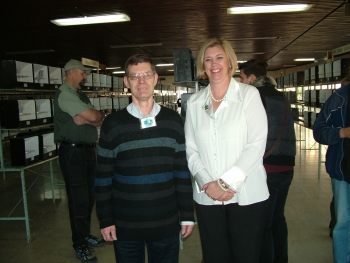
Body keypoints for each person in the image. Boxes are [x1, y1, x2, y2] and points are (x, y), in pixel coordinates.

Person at [95, 54, 195, 263]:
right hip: (125, 225)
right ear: (126, 81)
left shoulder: (173, 121)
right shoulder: (112, 124)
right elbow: (103, 177)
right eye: (135, 76)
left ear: (156, 78)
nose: (141, 82)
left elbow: (182, 171)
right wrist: (105, 219)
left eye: (146, 75)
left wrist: (186, 213)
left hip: (165, 222)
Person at [185, 38, 270, 263]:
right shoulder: (194, 102)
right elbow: (191, 150)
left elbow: (256, 145)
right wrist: (208, 184)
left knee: (246, 255)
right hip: (208, 197)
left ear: (230, 62)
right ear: (203, 65)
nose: (214, 64)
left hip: (247, 195)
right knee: (215, 257)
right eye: (208, 59)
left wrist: (224, 183)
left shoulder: (248, 95)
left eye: (219, 57)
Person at [239, 59, 296, 263]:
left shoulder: (256, 97)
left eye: (242, 77)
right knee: (278, 218)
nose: (241, 81)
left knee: (265, 223)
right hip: (287, 165)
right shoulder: (281, 96)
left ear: (252, 78)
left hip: (268, 166)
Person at [54, 59, 106, 263]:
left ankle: (84, 235)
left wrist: (90, 118)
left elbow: (100, 117)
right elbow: (94, 116)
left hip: (86, 152)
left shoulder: (78, 95)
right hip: (72, 153)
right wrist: (91, 117)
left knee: (89, 197)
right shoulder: (65, 94)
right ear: (72, 72)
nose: (85, 77)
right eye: (83, 73)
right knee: (79, 200)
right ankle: (80, 244)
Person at [313, 73, 350, 263]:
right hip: (344, 173)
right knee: (343, 224)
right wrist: (342, 132)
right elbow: (318, 130)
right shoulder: (339, 98)